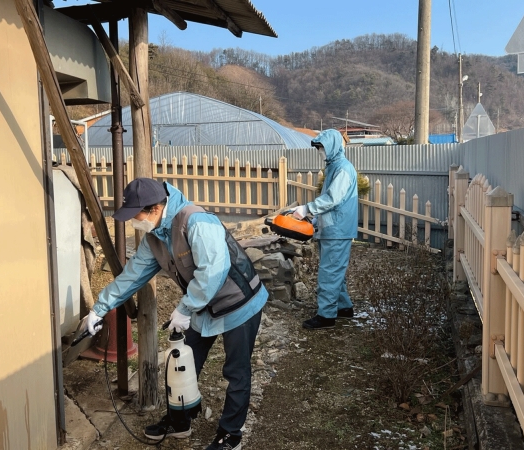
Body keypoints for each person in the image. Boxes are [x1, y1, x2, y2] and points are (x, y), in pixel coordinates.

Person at [82, 177, 267, 450]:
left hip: (239, 302)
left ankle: (230, 434)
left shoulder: (196, 222)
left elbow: (212, 272)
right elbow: (132, 276)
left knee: (236, 371)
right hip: (203, 305)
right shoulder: (155, 236)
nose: (133, 222)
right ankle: (180, 420)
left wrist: (184, 308)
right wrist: (99, 309)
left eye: (136, 216)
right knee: (180, 363)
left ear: (155, 209)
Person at [292, 129, 358, 330]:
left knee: (329, 273)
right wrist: (315, 221)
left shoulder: (343, 169)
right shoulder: (335, 167)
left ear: (332, 147)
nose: (320, 152)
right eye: (319, 148)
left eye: (322, 148)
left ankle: (326, 315)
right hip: (333, 228)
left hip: (337, 230)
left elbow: (332, 199)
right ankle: (344, 307)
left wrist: (307, 209)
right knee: (335, 270)